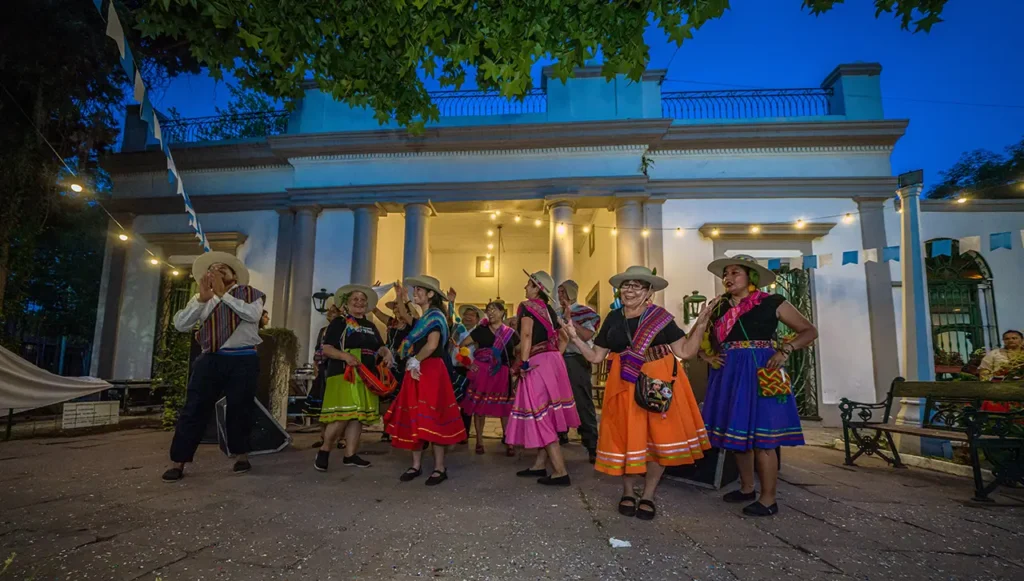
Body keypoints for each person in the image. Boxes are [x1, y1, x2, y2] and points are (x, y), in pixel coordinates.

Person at [564, 266, 714, 520]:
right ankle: (628, 491)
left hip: (658, 380)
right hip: (623, 381)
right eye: (626, 285)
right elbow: (596, 356)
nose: (629, 290)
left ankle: (648, 494)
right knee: (627, 436)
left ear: (648, 293)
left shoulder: (660, 317)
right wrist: (575, 339)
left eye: (636, 286)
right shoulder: (613, 318)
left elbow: (686, 351)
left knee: (658, 439)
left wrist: (701, 323)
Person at [700, 255, 817, 517]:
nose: (728, 278)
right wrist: (707, 357)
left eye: (735, 272)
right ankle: (746, 488)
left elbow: (808, 331)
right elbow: (701, 340)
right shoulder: (718, 308)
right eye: (725, 274)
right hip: (728, 371)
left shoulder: (772, 303)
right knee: (737, 435)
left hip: (761, 369)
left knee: (763, 438)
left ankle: (768, 499)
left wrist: (786, 350)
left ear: (751, 277)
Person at [162, 251, 264, 482]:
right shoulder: (201, 298)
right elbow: (180, 325)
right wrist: (201, 300)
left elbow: (252, 315)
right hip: (211, 358)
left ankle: (241, 456)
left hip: (243, 358)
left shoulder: (249, 294)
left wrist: (223, 295)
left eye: (222, 269)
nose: (217, 271)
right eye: (213, 269)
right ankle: (179, 461)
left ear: (234, 275)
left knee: (240, 409)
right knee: (194, 408)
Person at [383, 275, 467, 486]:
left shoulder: (436, 317)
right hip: (419, 368)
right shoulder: (424, 319)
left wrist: (414, 360)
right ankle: (416, 465)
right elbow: (404, 316)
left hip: (430, 370)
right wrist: (400, 298)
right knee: (416, 416)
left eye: (419, 290)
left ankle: (439, 468)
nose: (415, 293)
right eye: (415, 290)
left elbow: (432, 345)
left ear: (431, 294)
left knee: (433, 416)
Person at [506, 270, 580, 486]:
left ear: (537, 288)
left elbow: (527, 335)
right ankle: (540, 464)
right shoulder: (549, 310)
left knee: (539, 413)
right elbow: (565, 335)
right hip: (554, 361)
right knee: (548, 411)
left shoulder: (527, 306)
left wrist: (524, 363)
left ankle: (560, 471)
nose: (525, 288)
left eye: (528, 284)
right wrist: (556, 355)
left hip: (538, 362)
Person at [314, 285, 394, 472]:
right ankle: (324, 450)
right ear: (346, 304)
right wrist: (345, 357)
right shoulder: (339, 323)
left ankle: (350, 455)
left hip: (366, 374)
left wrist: (387, 352)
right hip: (344, 372)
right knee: (343, 415)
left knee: (358, 417)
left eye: (362, 300)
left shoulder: (370, 326)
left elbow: (379, 347)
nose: (359, 302)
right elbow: (326, 348)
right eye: (355, 299)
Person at [460, 301, 518, 456]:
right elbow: (462, 346)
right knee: (479, 408)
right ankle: (479, 441)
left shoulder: (510, 333)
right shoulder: (481, 330)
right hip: (483, 373)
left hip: (503, 374)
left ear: (502, 312)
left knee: (505, 408)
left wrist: (515, 370)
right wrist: (468, 364)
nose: (490, 313)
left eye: (494, 310)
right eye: (488, 310)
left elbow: (520, 352)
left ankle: (509, 440)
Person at [557, 280, 601, 464]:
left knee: (582, 400)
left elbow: (587, 336)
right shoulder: (555, 313)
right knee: (558, 399)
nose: (560, 296)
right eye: (558, 292)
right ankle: (561, 433)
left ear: (571, 293)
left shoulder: (585, 312)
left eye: (563, 292)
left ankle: (591, 444)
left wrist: (569, 320)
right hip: (558, 358)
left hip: (576, 359)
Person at [372, 285, 419, 442]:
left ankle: (403, 428)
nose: (397, 312)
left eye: (400, 309)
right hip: (386, 362)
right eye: (396, 310)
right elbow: (375, 311)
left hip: (403, 362)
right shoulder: (391, 322)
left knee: (402, 396)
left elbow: (417, 315)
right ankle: (387, 430)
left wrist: (405, 298)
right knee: (386, 397)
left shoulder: (412, 323)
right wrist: (372, 293)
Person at [309, 300, 341, 448]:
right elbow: (317, 348)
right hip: (323, 369)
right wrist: (316, 364)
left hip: (335, 368)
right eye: (329, 311)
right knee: (321, 404)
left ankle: (340, 438)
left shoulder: (343, 328)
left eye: (333, 311)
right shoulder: (323, 330)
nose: (330, 313)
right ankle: (323, 436)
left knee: (338, 405)